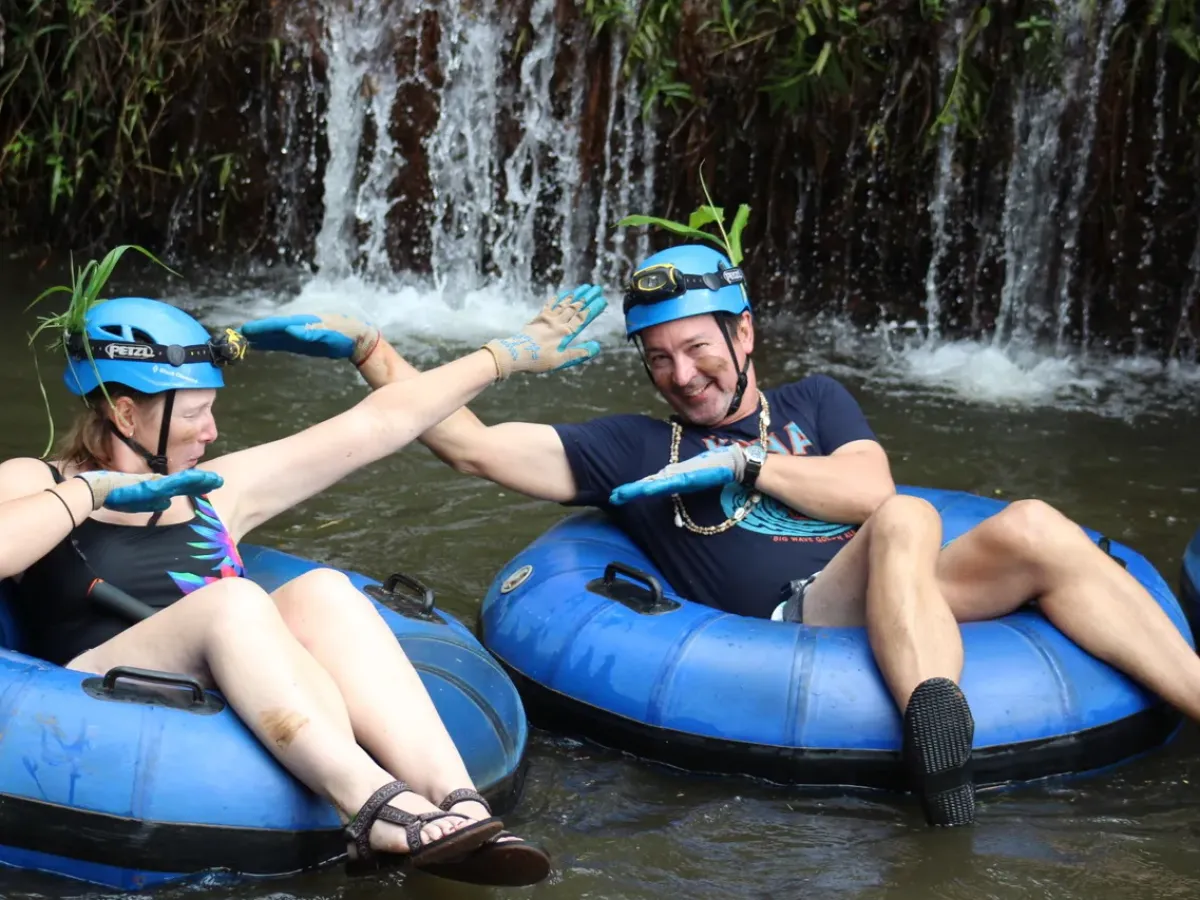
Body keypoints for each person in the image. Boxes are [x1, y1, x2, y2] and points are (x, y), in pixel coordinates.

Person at [302, 242, 1200, 830]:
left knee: (1034, 524)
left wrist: (745, 467)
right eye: (658, 359)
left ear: (744, 333)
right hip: (787, 623)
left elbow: (867, 486)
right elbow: (469, 448)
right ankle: (941, 750)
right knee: (906, 522)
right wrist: (368, 348)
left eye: (697, 350)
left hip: (896, 581)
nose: (680, 376)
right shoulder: (633, 444)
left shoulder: (814, 403)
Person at [0, 284, 606, 885]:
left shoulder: (215, 488)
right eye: (194, 414)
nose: (211, 432)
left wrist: (505, 355)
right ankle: (372, 808)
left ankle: (461, 802)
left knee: (325, 590)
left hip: (221, 683)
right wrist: (91, 492)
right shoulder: (37, 478)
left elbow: (375, 425)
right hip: (93, 692)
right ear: (126, 412)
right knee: (234, 601)